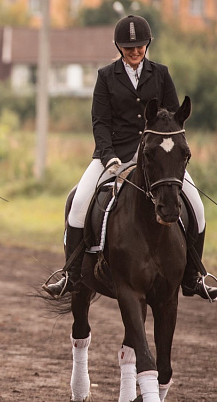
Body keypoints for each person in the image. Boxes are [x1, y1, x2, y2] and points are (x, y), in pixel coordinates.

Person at [42, 15, 217, 301]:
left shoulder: (160, 73)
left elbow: (173, 116)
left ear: (147, 45)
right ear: (119, 47)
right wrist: (108, 155)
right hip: (114, 153)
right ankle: (71, 276)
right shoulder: (106, 76)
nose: (135, 53)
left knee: (196, 207)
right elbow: (100, 121)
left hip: (158, 159)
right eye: (128, 48)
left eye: (140, 47)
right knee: (77, 205)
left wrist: (171, 154)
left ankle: (193, 277)